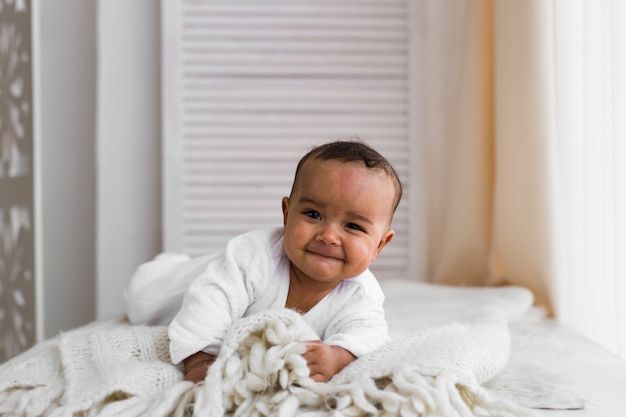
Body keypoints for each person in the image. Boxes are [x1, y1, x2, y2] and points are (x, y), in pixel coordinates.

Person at [126, 140, 403, 384]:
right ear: (286, 213)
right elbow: (209, 302)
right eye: (313, 214)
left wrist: (338, 356)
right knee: (142, 299)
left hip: (216, 276)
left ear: (379, 244)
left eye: (353, 226)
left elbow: (370, 335)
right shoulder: (253, 255)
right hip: (173, 287)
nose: (329, 236)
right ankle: (172, 264)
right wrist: (200, 361)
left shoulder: (361, 293)